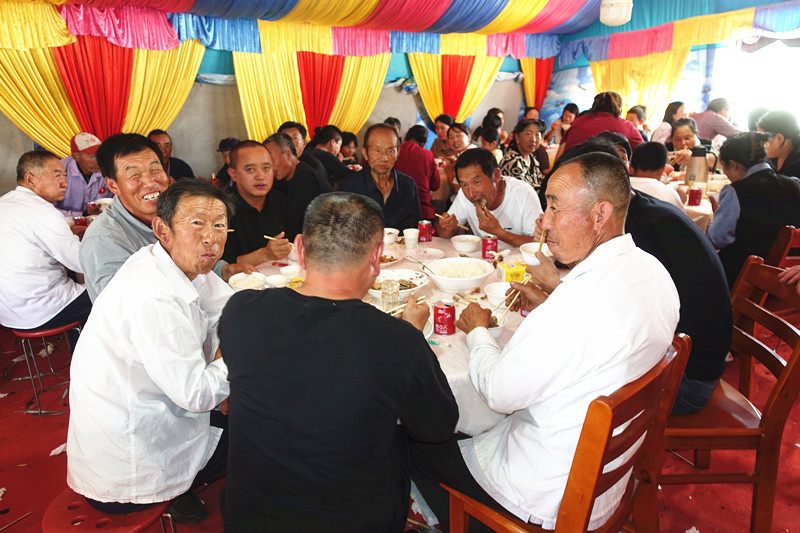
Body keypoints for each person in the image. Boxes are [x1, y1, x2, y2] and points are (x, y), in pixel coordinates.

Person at [409, 151, 679, 531]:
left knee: (412, 441)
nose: (544, 222)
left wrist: (477, 331)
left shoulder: (575, 306)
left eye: (554, 206)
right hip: (611, 472)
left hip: (546, 489)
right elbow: (604, 334)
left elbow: (499, 394)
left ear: (599, 215)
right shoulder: (654, 272)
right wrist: (555, 298)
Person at [219, 192, 458, 532]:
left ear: (300, 249)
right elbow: (437, 428)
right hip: (353, 521)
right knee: (405, 440)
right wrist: (412, 336)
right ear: (377, 257)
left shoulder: (241, 309)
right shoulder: (397, 339)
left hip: (249, 517)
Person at [67, 180, 233, 524]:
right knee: (263, 427)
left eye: (219, 225)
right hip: (129, 471)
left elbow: (227, 304)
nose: (210, 237)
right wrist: (238, 350)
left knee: (238, 407)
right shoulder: (153, 294)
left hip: (149, 419)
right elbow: (198, 394)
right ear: (162, 228)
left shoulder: (168, 261)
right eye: (197, 223)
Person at [555, 138, 731, 415]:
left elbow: (611, 323)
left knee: (558, 387)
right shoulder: (640, 210)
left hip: (686, 381)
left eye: (561, 201)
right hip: (690, 359)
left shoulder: (642, 234)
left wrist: (553, 288)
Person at [80, 133, 244, 301]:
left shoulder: (174, 211)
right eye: (134, 175)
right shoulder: (103, 240)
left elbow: (191, 258)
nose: (150, 182)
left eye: (155, 170)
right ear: (113, 185)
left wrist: (222, 271)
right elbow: (124, 307)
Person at [0, 151, 91, 344]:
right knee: (107, 293)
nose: (64, 183)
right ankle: (84, 365)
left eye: (65, 175)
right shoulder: (43, 212)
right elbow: (82, 263)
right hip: (40, 309)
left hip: (8, 311)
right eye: (57, 175)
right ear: (30, 179)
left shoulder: (4, 202)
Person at [708, 131, 800, 287]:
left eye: (724, 167)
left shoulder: (736, 191)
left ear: (734, 164)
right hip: (786, 276)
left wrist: (717, 217)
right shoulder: (795, 184)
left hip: (743, 275)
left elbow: (717, 239)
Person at [437, 148, 542, 247]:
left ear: (496, 176)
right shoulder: (463, 195)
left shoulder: (524, 193)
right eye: (464, 185)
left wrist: (498, 232)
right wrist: (446, 228)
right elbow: (445, 233)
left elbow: (539, 243)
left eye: (476, 182)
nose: (471, 193)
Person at [339, 124, 421, 230]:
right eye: (377, 150)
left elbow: (417, 229)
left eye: (390, 151)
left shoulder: (408, 185)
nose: (384, 158)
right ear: (365, 152)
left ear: (398, 153)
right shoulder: (350, 187)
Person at [223, 140, 292, 264]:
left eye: (266, 168)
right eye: (250, 170)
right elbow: (220, 264)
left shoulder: (282, 201)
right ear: (233, 174)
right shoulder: (221, 209)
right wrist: (264, 255)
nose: (260, 176)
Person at [265, 133, 332, 238]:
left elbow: (295, 224)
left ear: (288, 155)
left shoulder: (305, 179)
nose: (268, 166)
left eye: (270, 159)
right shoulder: (292, 176)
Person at [556, 92, 644, 158]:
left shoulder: (578, 122)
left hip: (573, 176)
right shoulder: (627, 126)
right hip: (613, 178)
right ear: (620, 109)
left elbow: (560, 155)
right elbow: (646, 154)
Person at [55, 132, 113, 216]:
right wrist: (82, 214)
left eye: (100, 155)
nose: (98, 161)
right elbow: (47, 207)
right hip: (65, 222)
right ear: (76, 156)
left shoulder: (108, 169)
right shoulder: (60, 170)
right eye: (91, 156)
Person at [393, 125, 440, 220]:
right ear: (424, 143)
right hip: (422, 211)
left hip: (395, 210)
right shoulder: (428, 155)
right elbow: (435, 185)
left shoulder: (393, 152)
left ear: (406, 137)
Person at [629, 142, 685, 210]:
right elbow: (680, 218)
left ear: (630, 168)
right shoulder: (669, 193)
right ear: (662, 170)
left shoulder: (618, 186)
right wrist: (681, 200)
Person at [500, 119, 545, 190]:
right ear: (517, 137)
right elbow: (524, 192)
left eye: (537, 134)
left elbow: (541, 182)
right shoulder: (512, 160)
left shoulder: (531, 158)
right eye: (528, 134)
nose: (533, 139)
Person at [757, 110, 800, 178]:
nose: (760, 144)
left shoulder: (796, 167)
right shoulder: (771, 158)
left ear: (779, 139)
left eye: (763, 140)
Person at [309, 125, 354, 189]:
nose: (339, 150)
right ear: (332, 142)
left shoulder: (308, 150)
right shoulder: (326, 156)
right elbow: (348, 174)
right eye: (339, 145)